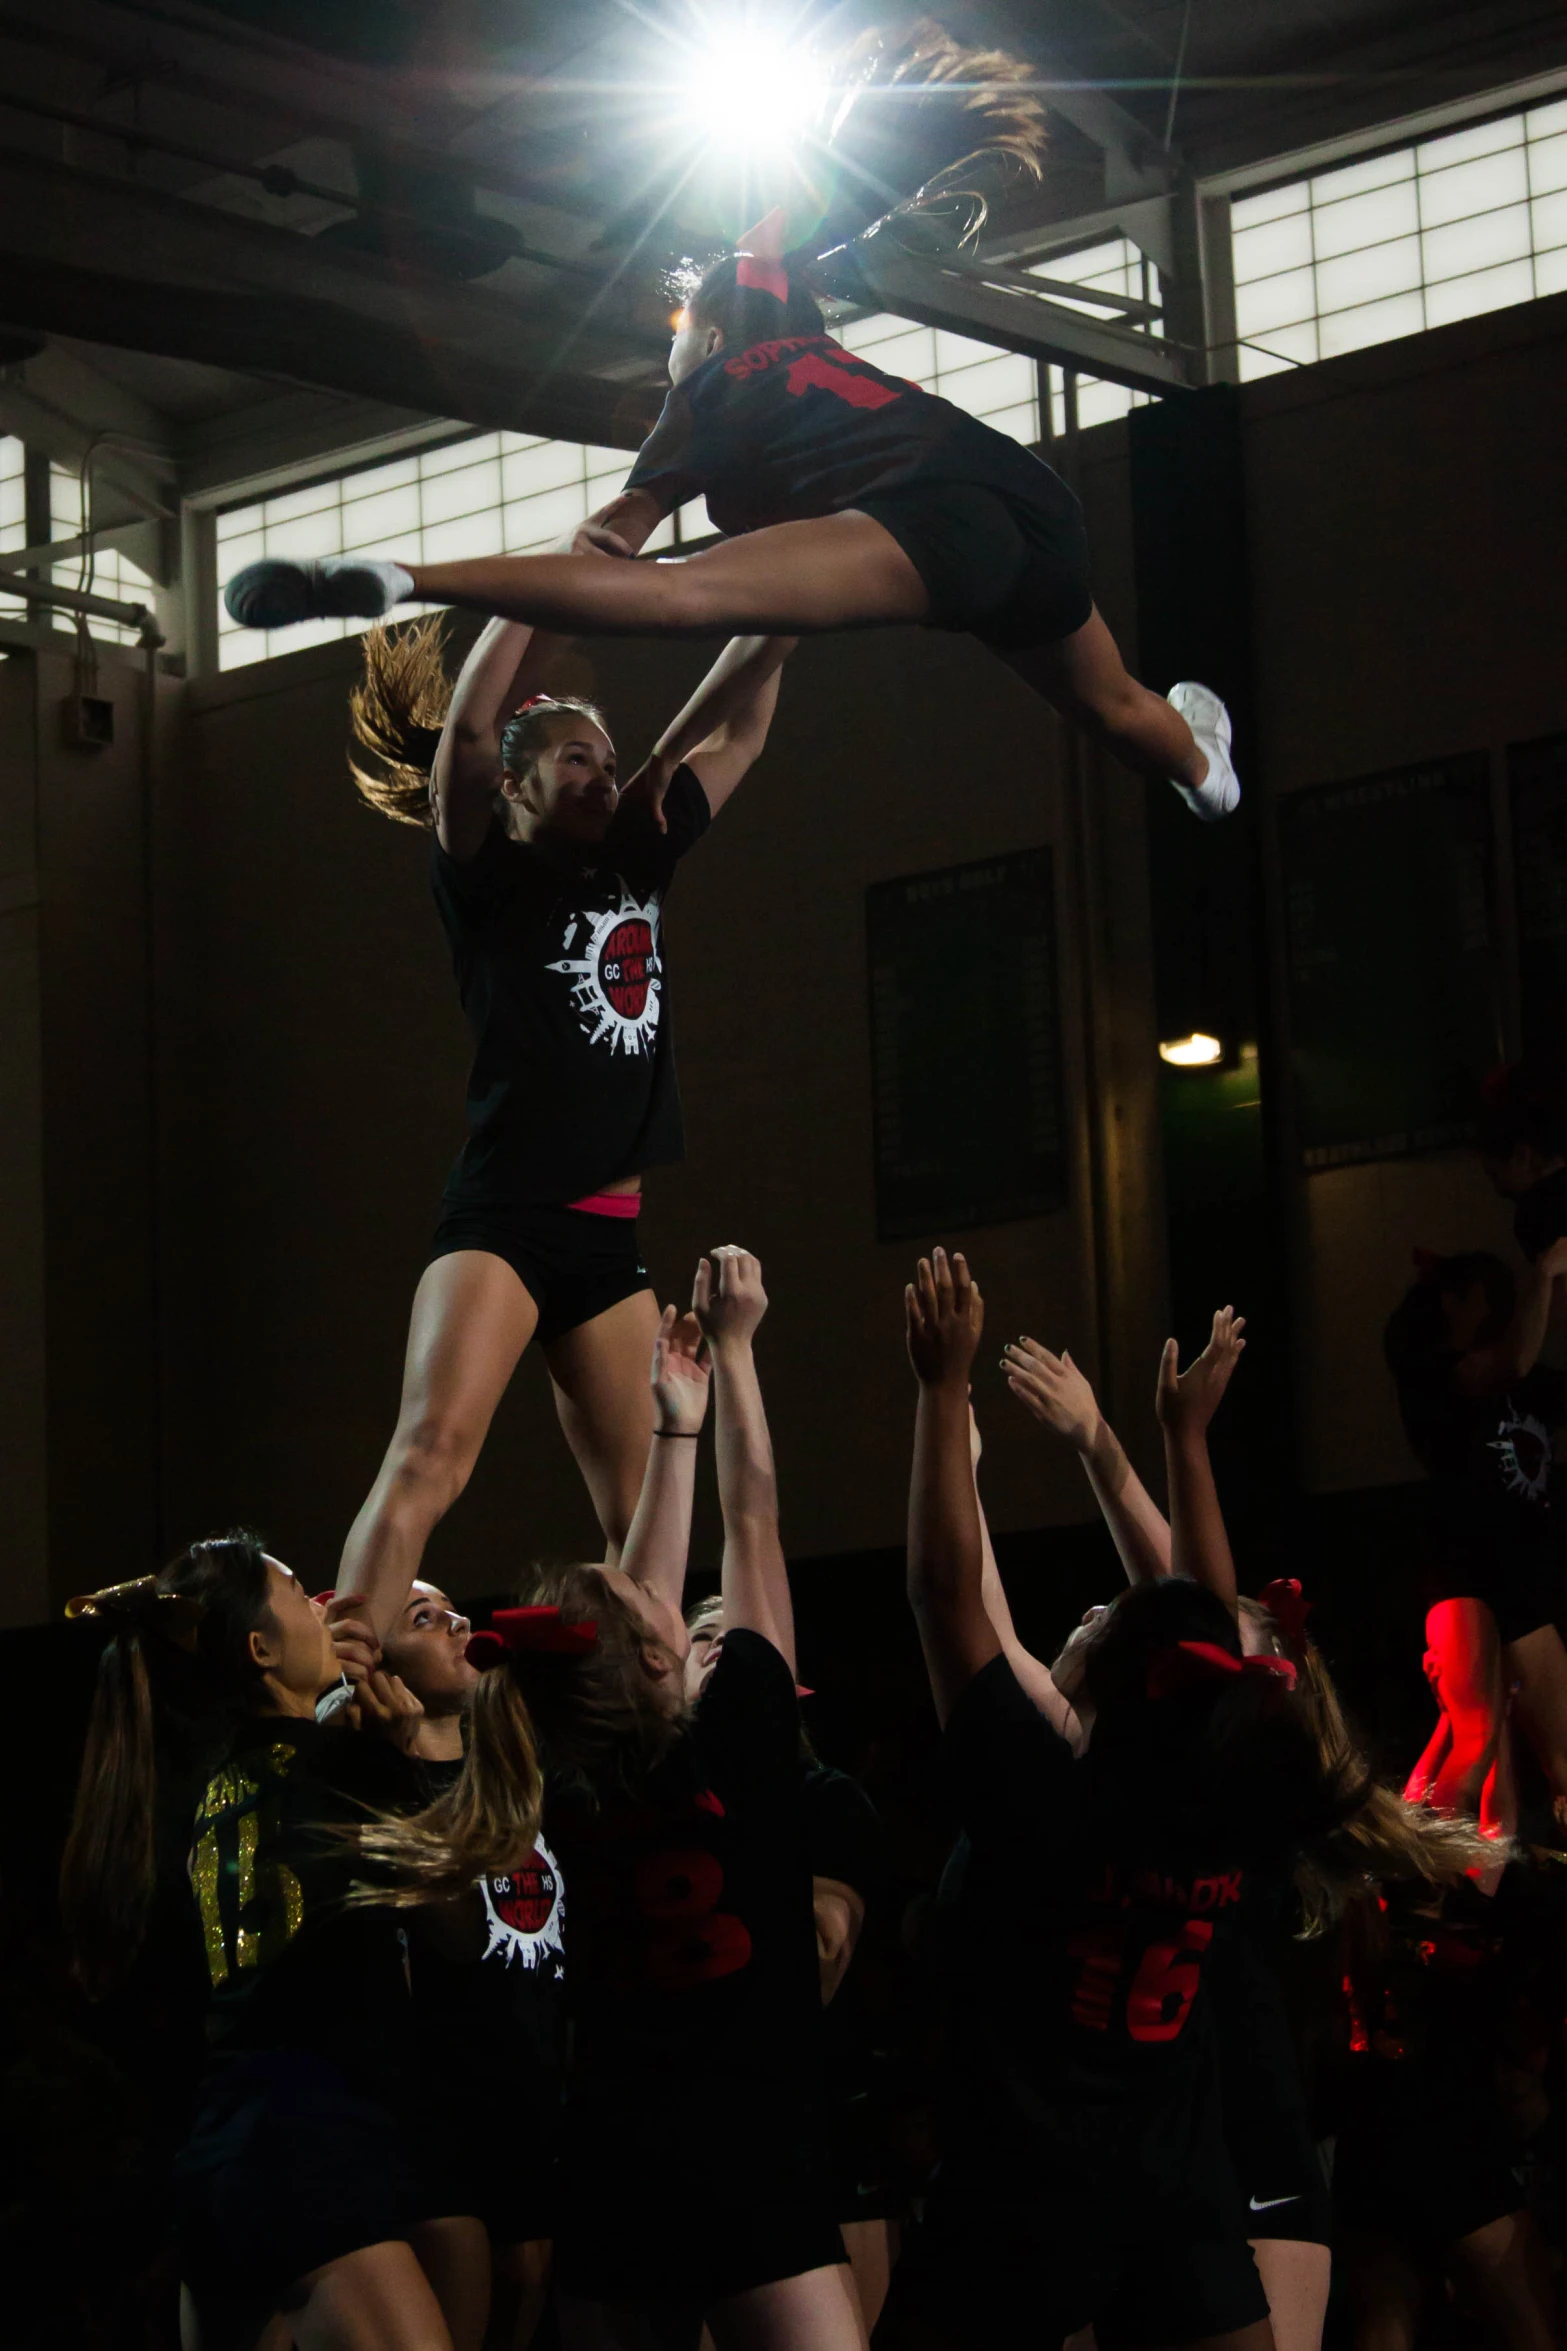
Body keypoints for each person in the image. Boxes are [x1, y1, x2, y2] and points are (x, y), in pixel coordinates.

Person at [223, 32, 1239, 829]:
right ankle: (1205, 772)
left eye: (676, 333)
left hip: (932, 533)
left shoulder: (703, 390)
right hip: (1019, 493)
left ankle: (404, 579)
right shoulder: (795, 322)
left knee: (675, 591)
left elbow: (629, 557)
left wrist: (573, 564)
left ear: (704, 331)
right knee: (1113, 706)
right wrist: (904, 164)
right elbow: (774, 623)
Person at [894, 1248, 1490, 2351]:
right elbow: (1204, 1623)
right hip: (1169, 2179)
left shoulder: (1045, 1795)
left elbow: (943, 1594)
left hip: (1042, 2179)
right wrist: (1178, 1441)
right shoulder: (1225, 1800)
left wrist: (940, 1394)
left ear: (1120, 1681)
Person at [360, 1247, 865, 2349]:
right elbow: (757, 1520)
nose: (665, 1591)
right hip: (751, 2165)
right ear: (650, 1658)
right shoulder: (736, 1746)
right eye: (654, 1609)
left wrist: (673, 1426)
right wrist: (734, 1351)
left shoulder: (562, 1780)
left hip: (613, 2176)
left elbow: (620, 1619)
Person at [319, 530, 790, 1640]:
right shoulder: (487, 873)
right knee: (431, 1452)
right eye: (571, 756)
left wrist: (788, 570)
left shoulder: (639, 858)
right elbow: (474, 724)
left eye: (607, 755)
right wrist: (544, 578)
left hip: (607, 1238)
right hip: (506, 1216)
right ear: (517, 785)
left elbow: (750, 722)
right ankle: (343, 1683)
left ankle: (648, 1726)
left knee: (645, 1511)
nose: (599, 771)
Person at [58, 1537, 474, 2351]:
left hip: (217, 2163)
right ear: (259, 1649)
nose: (323, 1603)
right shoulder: (347, 1766)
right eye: (295, 1589)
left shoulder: (182, 1789)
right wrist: (401, 1770)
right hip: (313, 2148)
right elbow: (457, 1936)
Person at [1384, 1245, 1567, 1829]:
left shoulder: (1535, 1381)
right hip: (1467, 1569)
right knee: (1480, 1739)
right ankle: (1431, 1877)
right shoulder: (1445, 1373)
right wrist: (1545, 1271)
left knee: (1550, 1756)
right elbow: (1509, 1362)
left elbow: (1523, 1361)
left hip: (1523, 1576)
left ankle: (1482, 1885)